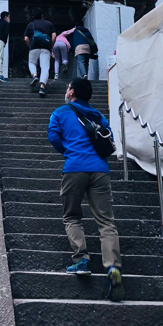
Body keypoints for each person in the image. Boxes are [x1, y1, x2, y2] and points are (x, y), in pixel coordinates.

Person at [47, 77, 124, 302]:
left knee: (72, 216)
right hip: (101, 170)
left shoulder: (61, 112)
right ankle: (113, 267)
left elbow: (53, 136)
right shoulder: (98, 115)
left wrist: (69, 151)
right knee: (106, 222)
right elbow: (108, 137)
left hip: (74, 169)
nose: (67, 90)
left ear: (72, 92)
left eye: (68, 87)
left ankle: (81, 259)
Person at [24, 7, 56, 97]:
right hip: (46, 47)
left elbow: (26, 38)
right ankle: (42, 87)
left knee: (31, 62)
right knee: (45, 67)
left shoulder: (31, 24)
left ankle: (34, 75)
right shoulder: (49, 24)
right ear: (42, 15)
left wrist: (30, 46)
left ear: (33, 16)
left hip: (34, 46)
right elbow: (54, 36)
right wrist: (51, 46)